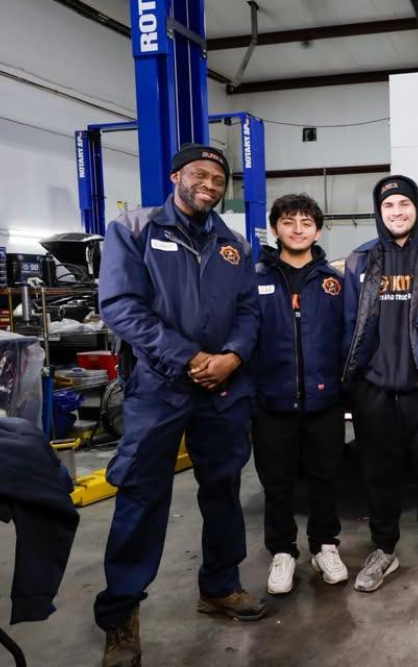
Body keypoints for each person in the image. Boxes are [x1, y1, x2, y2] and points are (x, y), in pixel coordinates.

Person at [95, 145, 265, 667]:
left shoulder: (232, 243)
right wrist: (188, 357)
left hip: (221, 391)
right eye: (200, 174)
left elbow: (248, 310)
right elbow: (120, 305)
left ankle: (219, 585)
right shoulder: (136, 229)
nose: (210, 184)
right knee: (143, 497)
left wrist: (232, 356)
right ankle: (121, 612)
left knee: (223, 490)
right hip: (158, 388)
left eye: (219, 178)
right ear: (175, 177)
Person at [342, 175, 418, 592]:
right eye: (389, 206)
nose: (397, 212)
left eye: (404, 204)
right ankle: (384, 549)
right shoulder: (359, 260)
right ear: (379, 212)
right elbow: (348, 325)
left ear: (416, 208)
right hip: (374, 390)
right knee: (378, 472)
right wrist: (350, 380)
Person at [253, 193, 348, 596]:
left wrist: (342, 387)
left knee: (325, 478)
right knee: (277, 483)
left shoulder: (333, 281)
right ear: (275, 229)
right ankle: (283, 551)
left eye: (305, 222)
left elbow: (347, 338)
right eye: (288, 222)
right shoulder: (254, 278)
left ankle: (325, 545)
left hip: (323, 401)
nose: (297, 229)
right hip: (271, 402)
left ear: (318, 230)